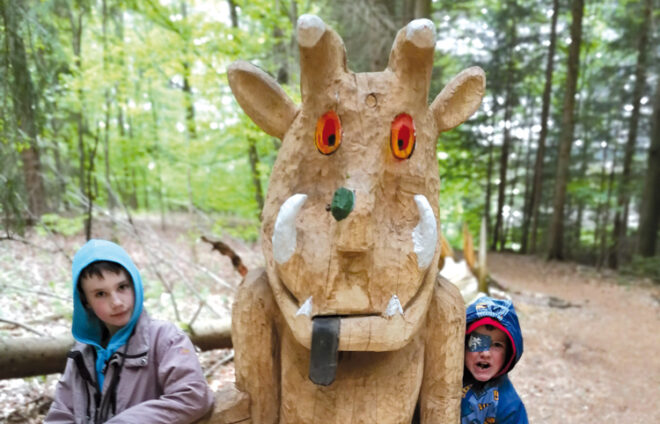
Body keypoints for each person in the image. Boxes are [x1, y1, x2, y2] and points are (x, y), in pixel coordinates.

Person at [46, 239, 215, 423]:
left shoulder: (165, 339)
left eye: (122, 287)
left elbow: (193, 396)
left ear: (134, 284)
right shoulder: (82, 353)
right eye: (101, 294)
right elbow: (61, 414)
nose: (117, 302)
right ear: (85, 301)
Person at [461, 296, 528, 424]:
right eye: (477, 341)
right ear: (463, 345)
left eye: (497, 345)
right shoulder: (445, 376)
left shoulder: (508, 405)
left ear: (508, 353)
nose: (485, 353)